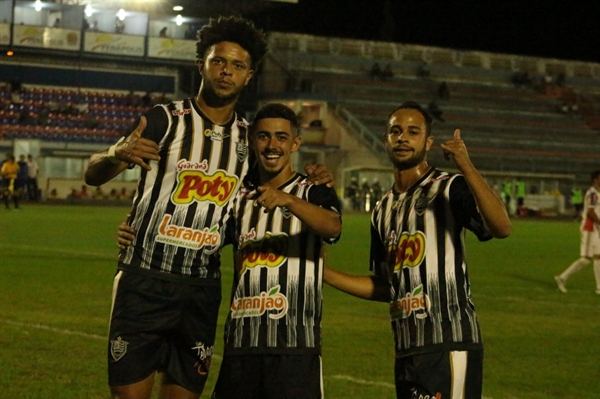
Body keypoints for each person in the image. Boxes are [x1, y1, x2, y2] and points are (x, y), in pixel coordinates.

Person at [84, 16, 332, 399]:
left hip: (200, 288)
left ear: (249, 76)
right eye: (219, 61)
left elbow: (266, 189)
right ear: (201, 64)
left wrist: (315, 176)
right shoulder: (164, 120)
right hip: (145, 280)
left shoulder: (249, 142)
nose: (226, 71)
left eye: (237, 65)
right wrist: (115, 153)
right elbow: (94, 175)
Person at [322, 101, 511, 399]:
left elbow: (501, 227)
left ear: (428, 141)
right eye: (395, 131)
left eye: (413, 131)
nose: (402, 138)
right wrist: (325, 274)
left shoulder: (448, 187)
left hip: (449, 344)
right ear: (386, 138)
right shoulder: (382, 209)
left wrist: (466, 166)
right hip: (407, 350)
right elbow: (388, 286)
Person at [210, 103, 342, 398]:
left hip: (295, 347)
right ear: (252, 141)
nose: (272, 145)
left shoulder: (314, 190)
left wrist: (288, 200)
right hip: (241, 345)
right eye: (264, 136)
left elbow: (333, 227)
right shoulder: (237, 196)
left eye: (281, 137)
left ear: (295, 143)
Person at [555, 170, 600, 295]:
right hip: (590, 228)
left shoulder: (596, 193)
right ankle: (562, 277)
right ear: (595, 179)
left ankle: (599, 288)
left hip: (595, 229)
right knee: (586, 258)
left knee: (597, 257)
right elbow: (590, 212)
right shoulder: (592, 193)